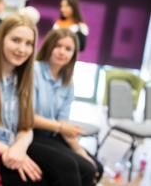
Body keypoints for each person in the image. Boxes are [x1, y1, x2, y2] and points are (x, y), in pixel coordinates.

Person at [0, 13, 48, 185]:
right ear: (1, 39)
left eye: (28, 44)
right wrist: (8, 150)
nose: (22, 49)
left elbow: (26, 125)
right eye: (16, 40)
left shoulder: (21, 76)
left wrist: (19, 147)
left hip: (12, 147)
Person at [33, 28, 103, 186]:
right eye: (58, 46)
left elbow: (63, 121)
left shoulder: (67, 82)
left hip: (53, 135)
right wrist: (61, 127)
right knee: (77, 169)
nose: (62, 52)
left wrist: (79, 150)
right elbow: (26, 118)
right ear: (49, 46)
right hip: (31, 135)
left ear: (73, 54)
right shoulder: (33, 71)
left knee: (95, 167)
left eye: (68, 49)